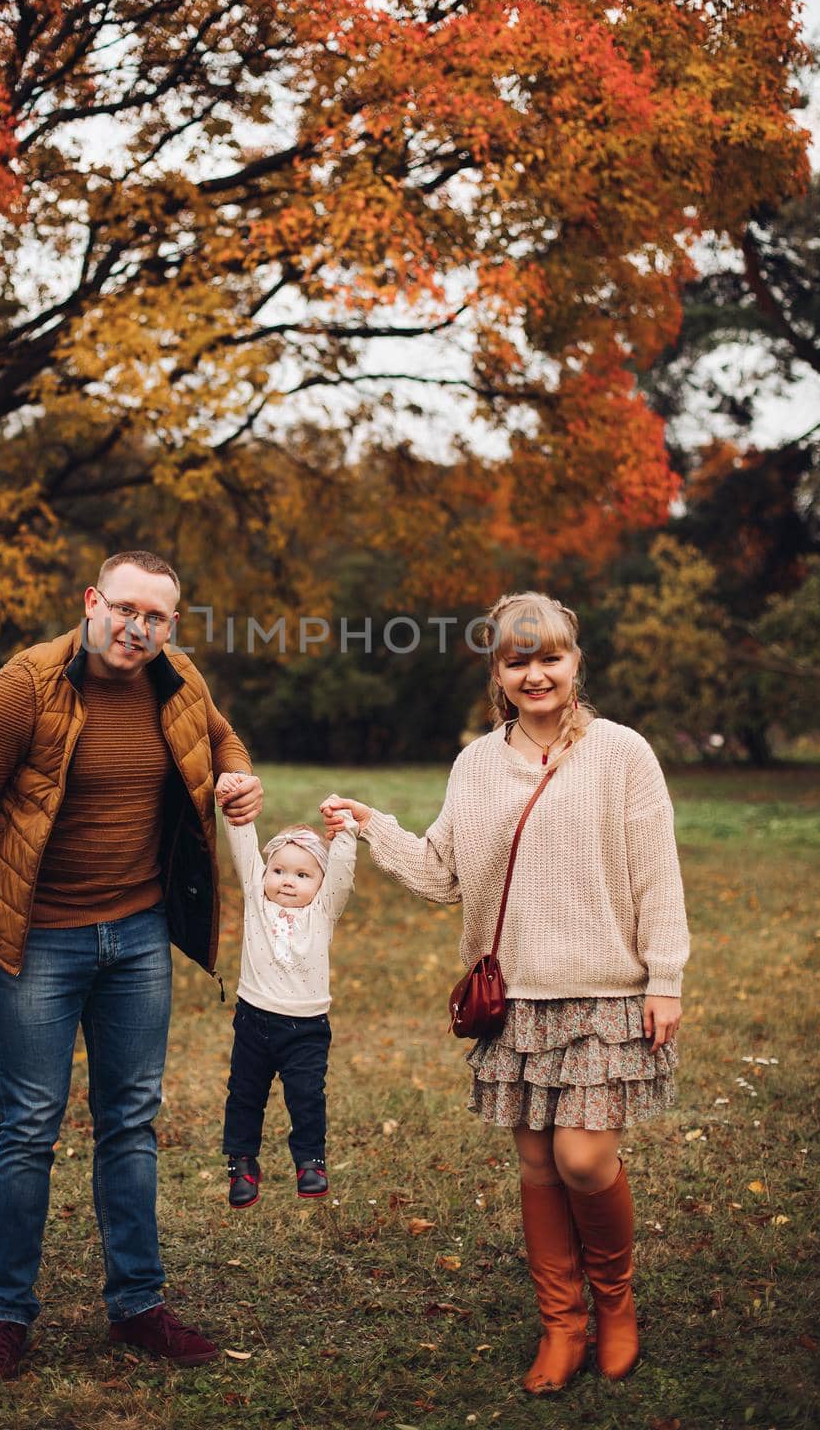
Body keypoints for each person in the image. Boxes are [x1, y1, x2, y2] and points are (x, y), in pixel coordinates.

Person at [321, 591, 689, 1395]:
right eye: (517, 660)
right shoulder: (476, 764)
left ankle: (615, 1305)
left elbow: (658, 875)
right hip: (513, 996)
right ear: (497, 670)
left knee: (583, 1158)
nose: (535, 674)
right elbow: (441, 875)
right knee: (535, 1163)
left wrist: (665, 978)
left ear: (574, 663)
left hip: (604, 990)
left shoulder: (622, 753)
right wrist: (371, 824)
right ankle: (561, 1325)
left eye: (549, 657)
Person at [0, 549, 263, 1380]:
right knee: (29, 1126)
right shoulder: (24, 687)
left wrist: (239, 776)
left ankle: (137, 1306)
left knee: (131, 1123)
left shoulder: (176, 678)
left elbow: (221, 740)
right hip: (38, 940)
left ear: (171, 625)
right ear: (91, 601)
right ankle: (6, 1316)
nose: (136, 628)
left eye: (155, 617)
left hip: (140, 938)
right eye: (123, 609)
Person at [216, 780, 357, 1208]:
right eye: (278, 871)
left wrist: (345, 832)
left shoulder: (323, 911)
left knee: (306, 1095)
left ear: (320, 882)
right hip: (253, 1020)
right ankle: (241, 1164)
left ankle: (310, 1162)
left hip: (306, 1027)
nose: (288, 882)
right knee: (244, 1095)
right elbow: (243, 844)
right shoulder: (257, 901)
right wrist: (235, 801)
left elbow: (342, 874)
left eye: (302, 874)